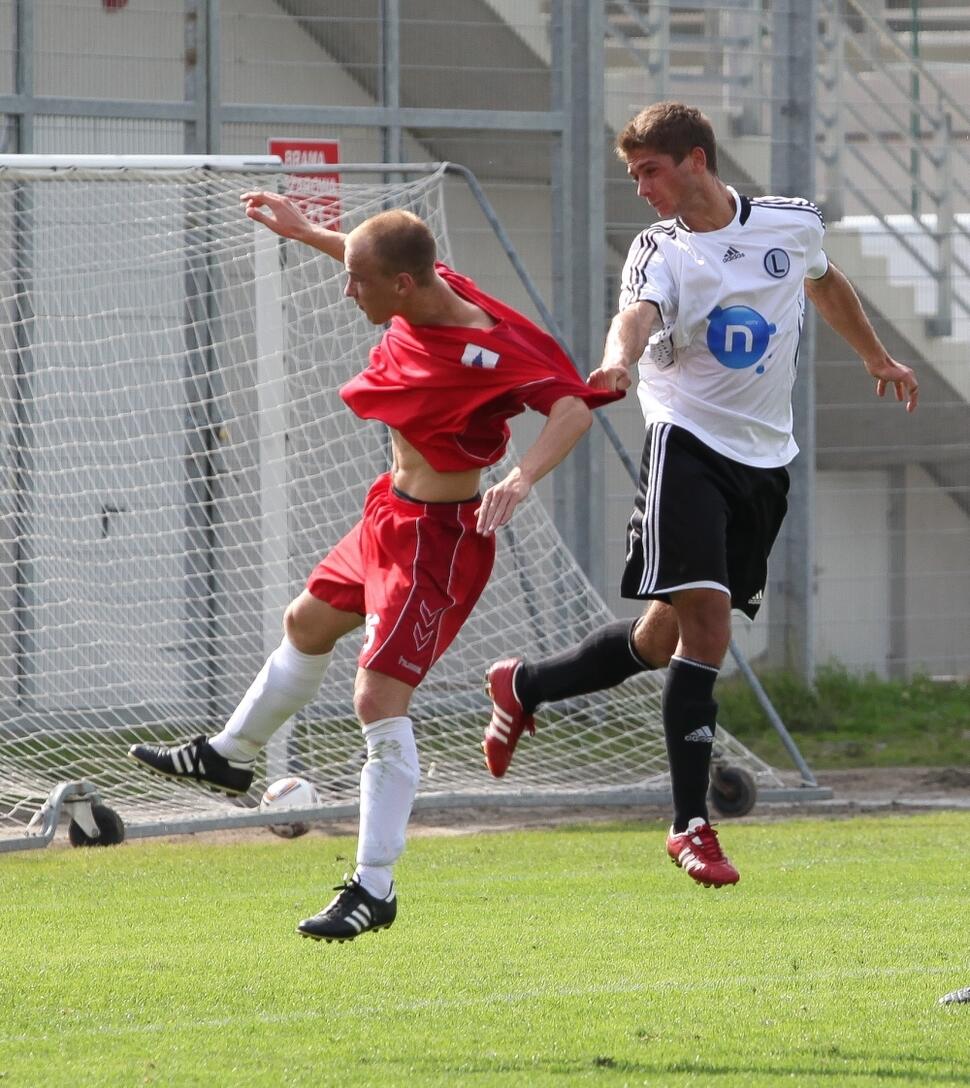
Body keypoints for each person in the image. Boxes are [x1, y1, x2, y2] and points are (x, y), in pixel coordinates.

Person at [128, 192, 621, 941]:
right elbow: (370, 256)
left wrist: (521, 480)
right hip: (387, 516)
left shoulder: (496, 346)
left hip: (440, 540)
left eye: (358, 280)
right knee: (307, 621)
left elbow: (573, 410)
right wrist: (305, 232)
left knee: (377, 698)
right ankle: (229, 757)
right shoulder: (421, 285)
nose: (346, 289)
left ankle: (374, 887)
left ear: (403, 286)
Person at [482, 102, 919, 888]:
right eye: (633, 175)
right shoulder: (661, 250)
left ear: (694, 159)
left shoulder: (789, 223)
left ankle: (525, 685)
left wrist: (877, 356)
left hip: (763, 461)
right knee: (709, 627)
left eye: (650, 170)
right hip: (684, 443)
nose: (641, 188)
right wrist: (618, 364)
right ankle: (690, 826)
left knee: (660, 640)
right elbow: (636, 316)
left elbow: (825, 282)